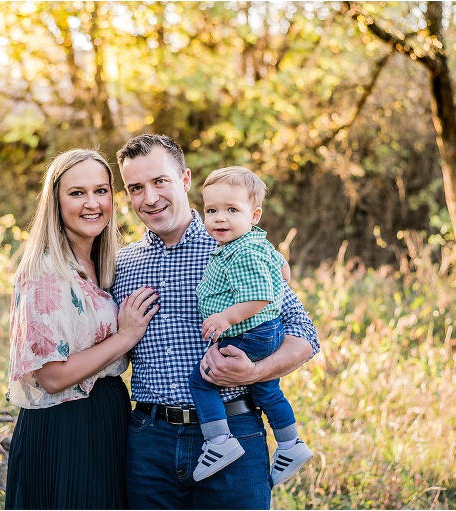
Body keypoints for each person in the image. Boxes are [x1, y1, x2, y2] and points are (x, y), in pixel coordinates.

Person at [113, 134, 320, 509]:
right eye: (135, 187)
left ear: (185, 180)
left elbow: (304, 333)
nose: (149, 197)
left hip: (235, 431)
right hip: (148, 440)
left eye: (160, 181)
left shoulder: (235, 245)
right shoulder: (123, 265)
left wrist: (255, 371)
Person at [4, 149, 159, 510]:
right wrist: (124, 337)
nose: (92, 204)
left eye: (101, 191)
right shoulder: (44, 272)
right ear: (55, 201)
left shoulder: (107, 263)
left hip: (108, 416)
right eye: (77, 193)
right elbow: (52, 378)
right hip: (65, 425)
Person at [188, 165, 314, 484]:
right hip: (267, 330)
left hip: (248, 332)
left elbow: (259, 295)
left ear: (254, 215)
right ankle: (290, 444)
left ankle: (219, 442)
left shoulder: (240, 253)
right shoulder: (257, 243)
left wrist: (225, 317)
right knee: (267, 389)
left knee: (203, 380)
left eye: (232, 210)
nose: (219, 218)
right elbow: (283, 272)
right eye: (212, 210)